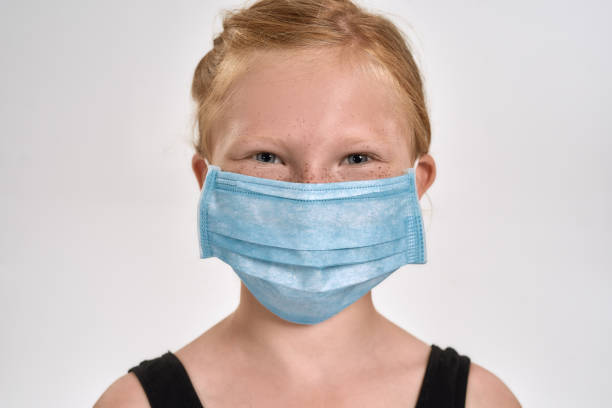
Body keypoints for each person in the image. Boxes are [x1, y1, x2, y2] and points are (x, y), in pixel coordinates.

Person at [95, 0, 521, 406]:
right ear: (209, 183)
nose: (310, 192)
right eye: (267, 157)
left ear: (415, 183)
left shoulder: (480, 401)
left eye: (357, 158)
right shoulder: (131, 404)